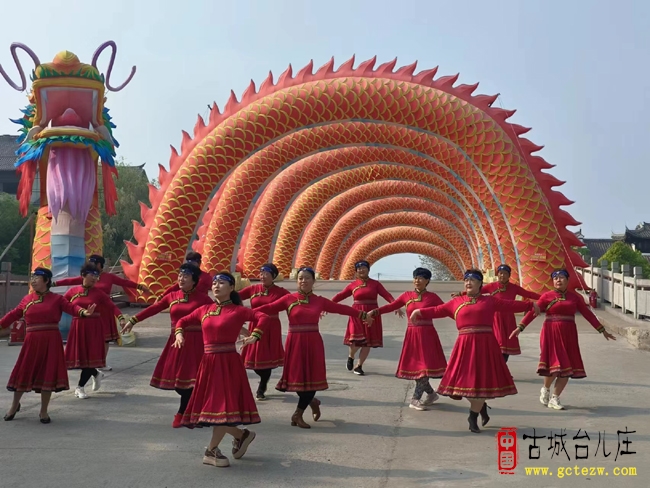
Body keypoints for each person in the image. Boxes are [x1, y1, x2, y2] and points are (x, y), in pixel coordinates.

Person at [411, 269, 539, 433]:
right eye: (466, 280)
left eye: (473, 280)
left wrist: (530, 304)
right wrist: (419, 311)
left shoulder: (490, 301)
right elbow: (438, 310)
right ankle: (481, 406)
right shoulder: (457, 301)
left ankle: (472, 416)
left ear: (480, 284)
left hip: (485, 345)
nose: (469, 282)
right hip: (464, 346)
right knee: (463, 383)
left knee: (482, 381)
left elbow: (510, 305)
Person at [254, 266, 373, 429]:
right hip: (295, 343)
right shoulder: (288, 299)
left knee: (311, 379)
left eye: (307, 278)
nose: (303, 281)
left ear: (313, 281)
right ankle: (313, 402)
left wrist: (363, 315)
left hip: (313, 343)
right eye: (300, 278)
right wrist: (238, 314)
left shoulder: (319, 301)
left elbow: (341, 309)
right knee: (298, 380)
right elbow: (264, 309)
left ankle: (298, 414)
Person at [173, 271, 270, 468]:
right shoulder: (204, 309)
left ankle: (211, 450)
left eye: (222, 283)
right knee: (215, 409)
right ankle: (240, 435)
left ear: (232, 288)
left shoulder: (238, 311)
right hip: (208, 363)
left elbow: (263, 318)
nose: (216, 286)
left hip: (229, 363)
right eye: (214, 282)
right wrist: (179, 335)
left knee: (222, 409)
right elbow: (182, 321)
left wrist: (255, 336)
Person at [121, 262, 214, 426]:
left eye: (185, 276)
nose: (181, 278)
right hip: (176, 342)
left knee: (191, 380)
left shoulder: (203, 299)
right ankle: (190, 412)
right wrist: (133, 320)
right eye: (180, 275)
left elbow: (215, 317)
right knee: (179, 382)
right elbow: (154, 308)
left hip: (196, 343)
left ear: (194, 280)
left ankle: (182, 414)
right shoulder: (172, 296)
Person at [511, 268, 616, 410]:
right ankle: (545, 389)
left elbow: (588, 314)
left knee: (567, 367)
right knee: (554, 366)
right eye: (555, 278)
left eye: (561, 277)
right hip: (551, 332)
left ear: (567, 280)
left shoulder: (575, 298)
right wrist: (520, 327)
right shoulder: (546, 296)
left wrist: (602, 330)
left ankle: (555, 398)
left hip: (569, 334)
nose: (558, 280)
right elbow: (533, 312)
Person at [1, 268, 96, 423]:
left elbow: (72, 307)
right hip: (31, 341)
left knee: (48, 374)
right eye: (32, 277)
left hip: (51, 341)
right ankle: (14, 405)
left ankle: (43, 411)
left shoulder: (57, 299)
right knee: (23, 372)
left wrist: (84, 312)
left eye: (37, 277)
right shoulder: (27, 299)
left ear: (46, 281)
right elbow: (14, 314)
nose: (33, 280)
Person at [53, 254, 152, 371]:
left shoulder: (108, 277)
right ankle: (82, 361)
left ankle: (101, 362)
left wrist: (140, 287)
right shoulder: (87, 277)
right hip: (86, 311)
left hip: (105, 311)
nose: (92, 266)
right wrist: (53, 284)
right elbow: (69, 282)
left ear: (100, 265)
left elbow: (125, 283)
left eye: (94, 263)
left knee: (105, 339)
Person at [368, 267, 447, 411]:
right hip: (412, 335)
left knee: (424, 368)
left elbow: (444, 310)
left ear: (427, 281)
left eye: (421, 278)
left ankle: (415, 399)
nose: (417, 280)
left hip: (428, 335)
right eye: (415, 277)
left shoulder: (433, 297)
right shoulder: (407, 295)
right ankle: (431, 394)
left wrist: (424, 312)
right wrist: (375, 312)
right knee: (419, 368)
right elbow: (391, 306)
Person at [452, 264, 540, 362]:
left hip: (508, 319)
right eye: (500, 273)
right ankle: (498, 370)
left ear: (509, 275)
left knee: (507, 346)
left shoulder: (514, 288)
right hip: (494, 319)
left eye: (505, 273)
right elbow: (477, 290)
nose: (502, 276)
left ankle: (502, 369)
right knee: (497, 345)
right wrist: (461, 293)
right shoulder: (492, 286)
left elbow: (528, 294)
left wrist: (544, 297)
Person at [64, 262, 127, 399]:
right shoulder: (72, 292)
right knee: (80, 358)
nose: (95, 278)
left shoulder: (99, 294)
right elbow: (62, 305)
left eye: (97, 276)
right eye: (92, 275)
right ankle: (96, 374)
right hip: (78, 327)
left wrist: (121, 318)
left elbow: (112, 307)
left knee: (90, 358)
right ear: (83, 275)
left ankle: (80, 387)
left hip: (94, 328)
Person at [331, 260, 404, 376]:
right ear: (356, 271)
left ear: (368, 269)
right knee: (356, 340)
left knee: (367, 342)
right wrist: (328, 304)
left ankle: (359, 366)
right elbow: (340, 295)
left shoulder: (375, 284)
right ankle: (351, 356)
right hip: (356, 313)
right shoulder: (352, 285)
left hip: (372, 313)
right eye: (359, 268)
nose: (361, 270)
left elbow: (386, 295)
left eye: (364, 268)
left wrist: (396, 306)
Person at [238, 263, 290, 400]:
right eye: (261, 273)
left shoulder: (280, 291)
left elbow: (293, 303)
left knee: (267, 358)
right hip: (255, 325)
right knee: (255, 359)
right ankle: (263, 379)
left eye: (266, 274)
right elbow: (234, 297)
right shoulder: (253, 289)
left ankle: (262, 386)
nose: (262, 276)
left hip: (271, 327)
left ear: (273, 276)